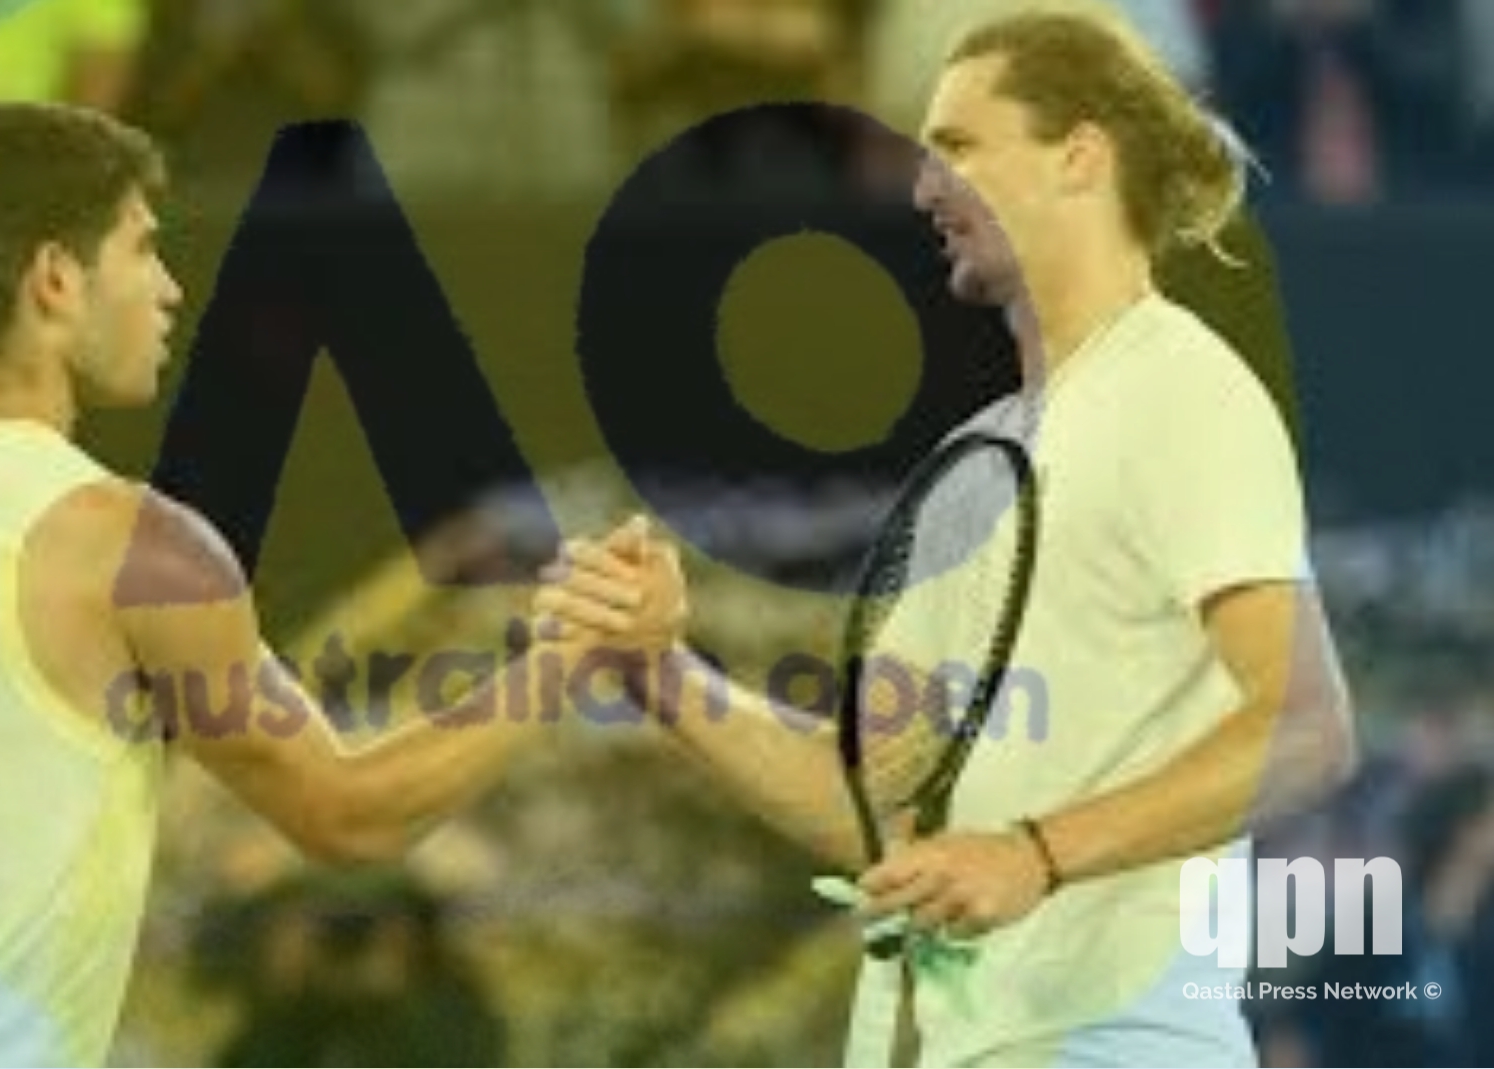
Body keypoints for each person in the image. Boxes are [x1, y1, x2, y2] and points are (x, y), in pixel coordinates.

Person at [0, 100, 603, 1067]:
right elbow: (350, 812)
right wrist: (570, 652)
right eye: (140, 249)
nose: (168, 288)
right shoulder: (135, 548)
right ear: (54, 279)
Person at [539, 6, 1359, 1067]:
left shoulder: (1182, 394)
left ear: (1080, 157)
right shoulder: (977, 457)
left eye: (959, 147)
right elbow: (875, 810)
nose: (925, 187)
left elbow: (1306, 729)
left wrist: (1034, 854)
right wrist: (660, 670)